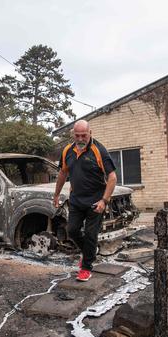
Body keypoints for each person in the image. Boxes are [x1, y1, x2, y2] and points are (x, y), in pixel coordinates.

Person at [53, 120, 117, 281]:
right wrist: (56, 194)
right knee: (72, 230)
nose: (81, 139)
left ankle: (86, 267)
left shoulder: (99, 150)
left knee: (90, 234)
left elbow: (112, 177)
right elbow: (62, 173)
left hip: (95, 202)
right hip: (76, 200)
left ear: (90, 133)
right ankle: (90, 251)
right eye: (77, 135)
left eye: (84, 135)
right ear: (73, 135)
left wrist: (104, 200)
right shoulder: (67, 150)